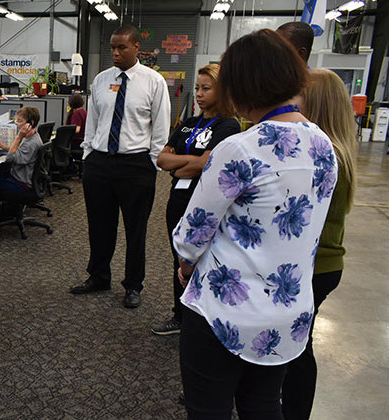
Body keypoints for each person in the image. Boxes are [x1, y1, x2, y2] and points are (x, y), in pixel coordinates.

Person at [172, 29, 337, 419]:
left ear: (242, 85)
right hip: (289, 311)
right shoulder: (323, 144)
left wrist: (185, 265)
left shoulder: (240, 148)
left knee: (208, 409)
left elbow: (192, 233)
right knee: (263, 406)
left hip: (225, 313)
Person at [69, 24, 171, 309]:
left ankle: (133, 285)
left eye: (121, 47)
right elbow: (94, 121)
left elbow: (161, 127)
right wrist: (88, 153)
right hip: (99, 163)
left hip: (136, 164)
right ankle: (99, 276)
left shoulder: (153, 81)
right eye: (112, 47)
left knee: (135, 230)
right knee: (99, 226)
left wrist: (152, 163)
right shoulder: (101, 80)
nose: (115, 52)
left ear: (137, 47)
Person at [281, 68, 357, 420]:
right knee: (297, 346)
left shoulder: (324, 158)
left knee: (298, 350)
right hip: (322, 266)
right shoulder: (337, 152)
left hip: (313, 268)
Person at [151, 64, 241, 336]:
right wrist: (192, 163)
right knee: (180, 257)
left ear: (221, 90)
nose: (199, 94)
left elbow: (210, 163)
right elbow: (162, 159)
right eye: (198, 88)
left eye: (206, 88)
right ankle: (180, 315)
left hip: (206, 202)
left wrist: (184, 164)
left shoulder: (229, 125)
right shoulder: (189, 124)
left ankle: (203, 318)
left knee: (205, 258)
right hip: (178, 200)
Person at [0, 106, 44, 192]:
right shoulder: (31, 136)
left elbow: (9, 159)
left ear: (30, 123)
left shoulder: (31, 143)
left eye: (19, 121)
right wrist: (4, 147)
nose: (16, 123)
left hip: (22, 183)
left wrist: (18, 137)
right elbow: (18, 151)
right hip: (21, 176)